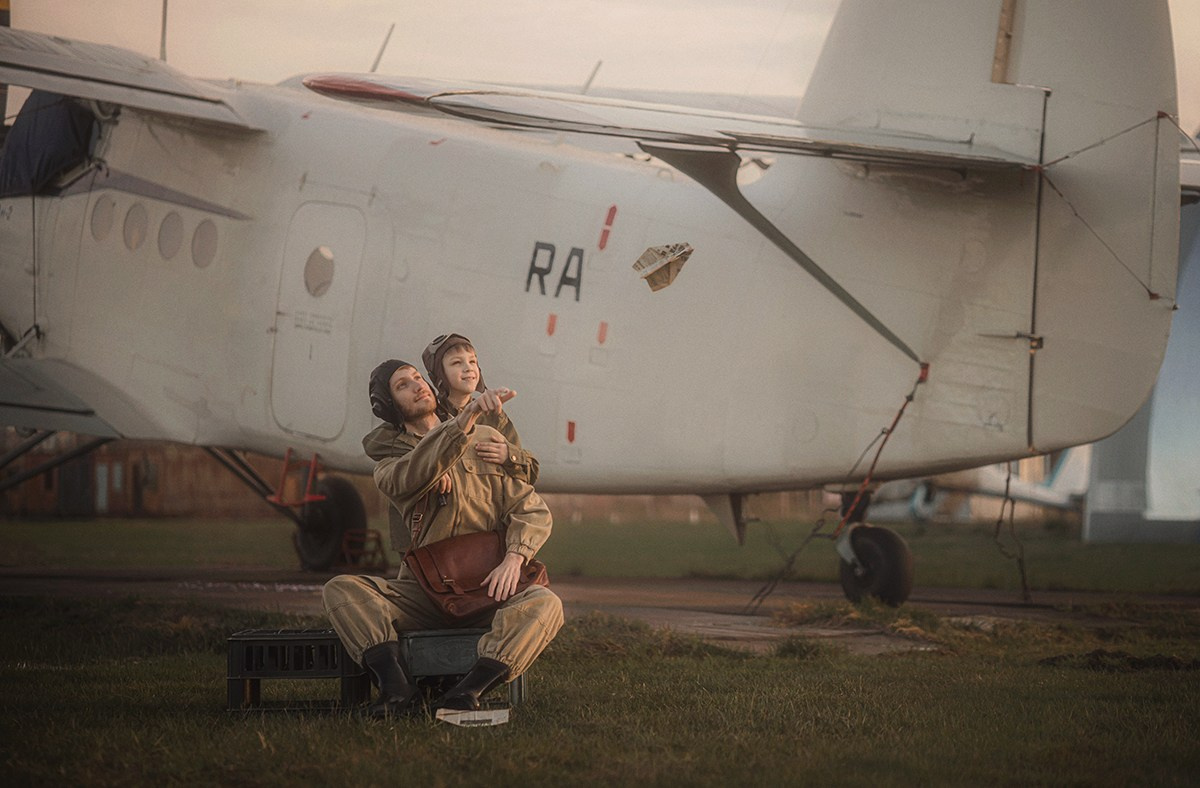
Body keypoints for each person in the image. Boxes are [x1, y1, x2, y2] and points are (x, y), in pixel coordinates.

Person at [323, 360, 563, 718]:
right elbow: (412, 474)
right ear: (388, 406)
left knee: (547, 604)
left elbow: (530, 508)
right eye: (403, 385)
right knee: (341, 590)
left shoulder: (485, 440)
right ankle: (395, 688)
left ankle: (466, 692)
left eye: (418, 378)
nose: (417, 385)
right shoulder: (391, 464)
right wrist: (462, 423)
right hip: (425, 593)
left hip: (487, 588)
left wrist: (514, 559)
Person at [362, 333, 538, 551]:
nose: (468, 369)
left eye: (473, 361)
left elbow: (527, 475)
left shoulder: (492, 416)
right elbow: (376, 443)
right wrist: (431, 464)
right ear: (439, 376)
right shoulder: (425, 414)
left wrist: (508, 455)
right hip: (425, 545)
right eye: (456, 363)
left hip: (484, 536)